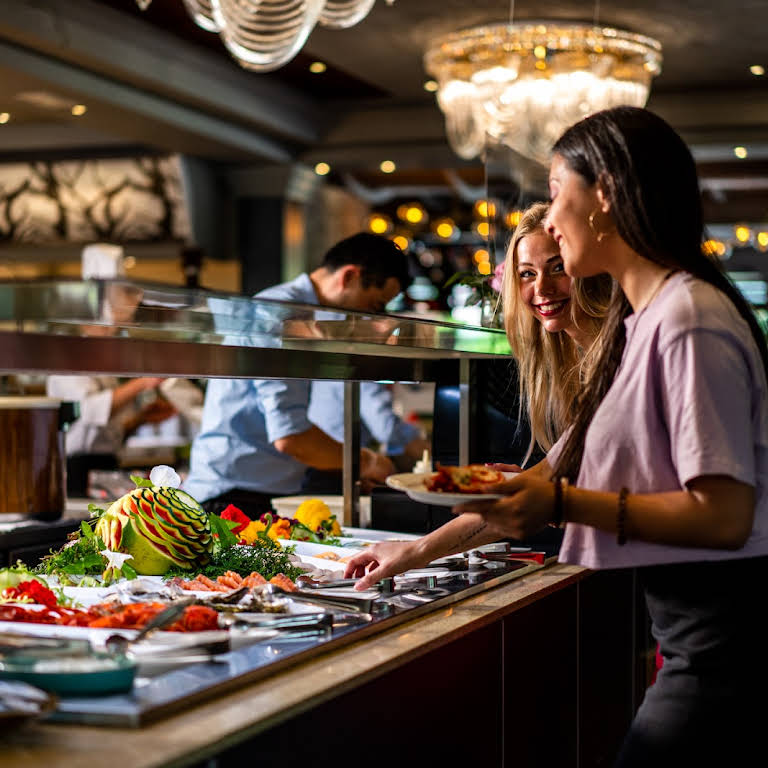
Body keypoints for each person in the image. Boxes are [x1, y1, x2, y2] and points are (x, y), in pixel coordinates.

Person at [349, 107, 768, 765]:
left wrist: (564, 505)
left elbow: (724, 516)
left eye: (554, 193)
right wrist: (415, 550)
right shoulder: (647, 320)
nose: (548, 219)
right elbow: (552, 473)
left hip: (729, 635)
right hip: (695, 627)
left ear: (603, 197)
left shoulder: (688, 318)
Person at [184, 233, 428, 518]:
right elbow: (291, 437)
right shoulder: (281, 315)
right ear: (349, 276)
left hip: (262, 490)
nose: (371, 319)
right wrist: (368, 461)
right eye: (374, 305)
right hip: (232, 497)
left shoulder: (308, 316)